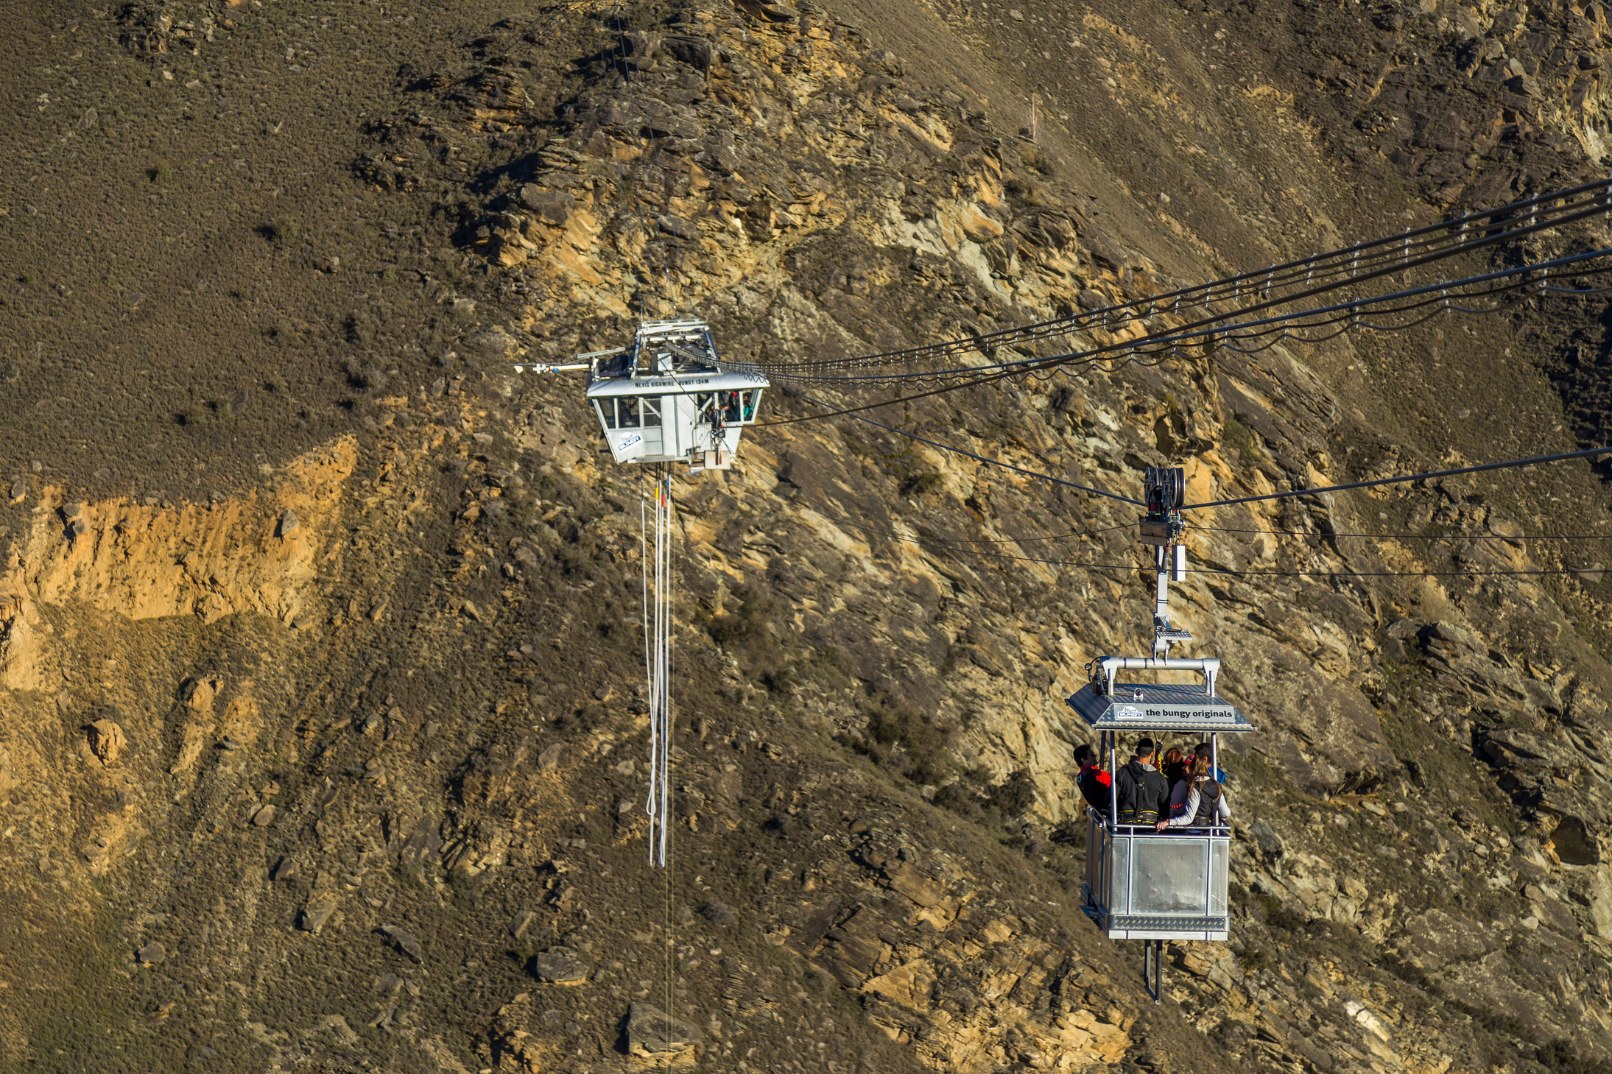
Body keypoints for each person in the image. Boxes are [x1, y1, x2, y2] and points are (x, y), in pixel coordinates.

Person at [1158, 753, 1231, 830]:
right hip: (1209, 830)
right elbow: (1225, 813)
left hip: (1194, 830)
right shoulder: (1217, 786)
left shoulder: (1195, 786)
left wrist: (1169, 822)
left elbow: (1188, 818)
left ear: (1192, 769)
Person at [1114, 737, 1171, 827]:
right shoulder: (1160, 778)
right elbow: (1165, 805)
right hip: (1151, 827)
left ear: (1136, 751)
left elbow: (1112, 799)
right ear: (1152, 753)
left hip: (1126, 825)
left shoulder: (1122, 773)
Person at [1075, 744, 1112, 814]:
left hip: (1100, 810)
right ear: (1083, 760)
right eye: (1092, 755)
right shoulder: (1097, 774)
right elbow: (1115, 787)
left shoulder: (1080, 777)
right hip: (1111, 808)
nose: (1095, 756)